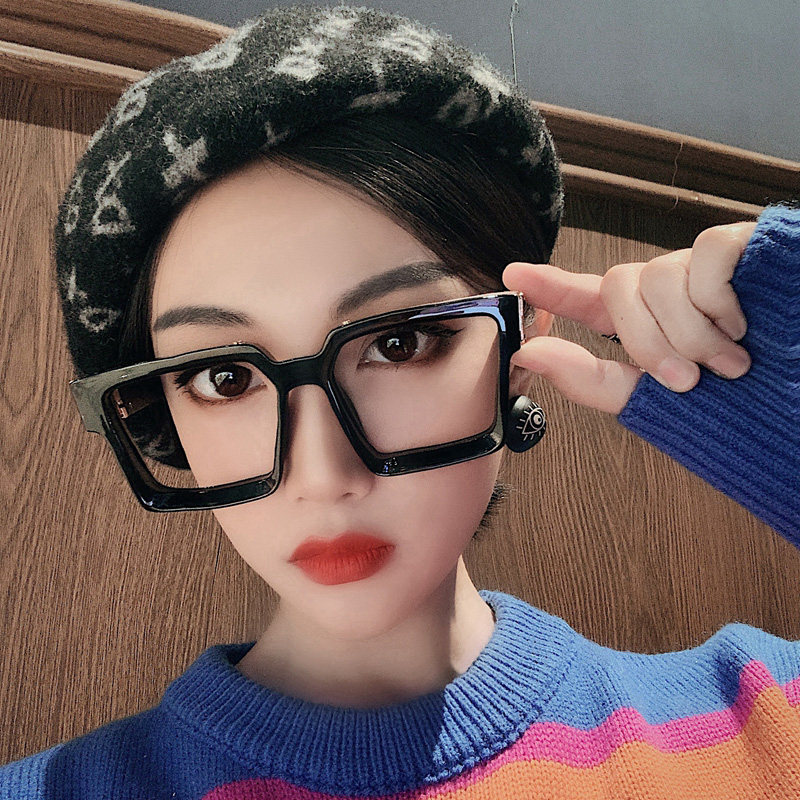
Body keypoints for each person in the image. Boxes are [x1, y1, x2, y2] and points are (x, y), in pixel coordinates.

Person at [1, 5, 798, 798]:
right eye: (226, 379)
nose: (324, 476)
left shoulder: (765, 724)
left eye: (398, 344)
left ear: (519, 345)